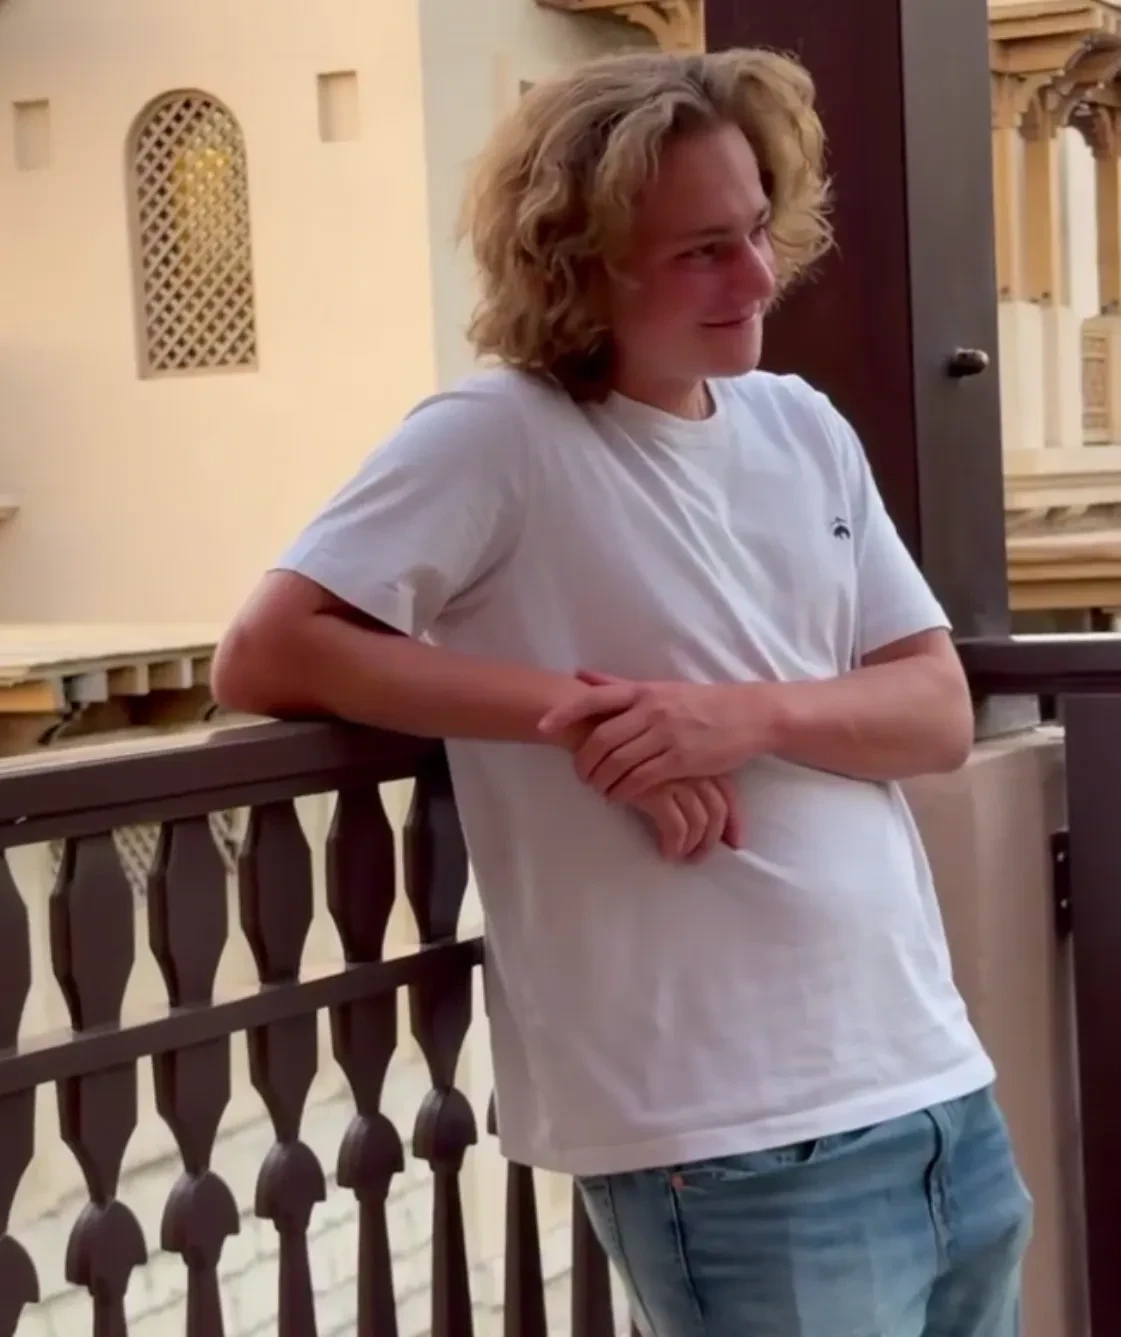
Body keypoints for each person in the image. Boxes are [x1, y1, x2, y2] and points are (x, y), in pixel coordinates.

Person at [212, 47, 1032, 1337]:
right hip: (725, 1140)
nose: (756, 278)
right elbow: (269, 651)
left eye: (756, 230)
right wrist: (588, 718)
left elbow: (933, 712)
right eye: (702, 251)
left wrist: (739, 715)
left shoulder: (802, 425)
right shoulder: (498, 434)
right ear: (578, 265)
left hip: (936, 1092)